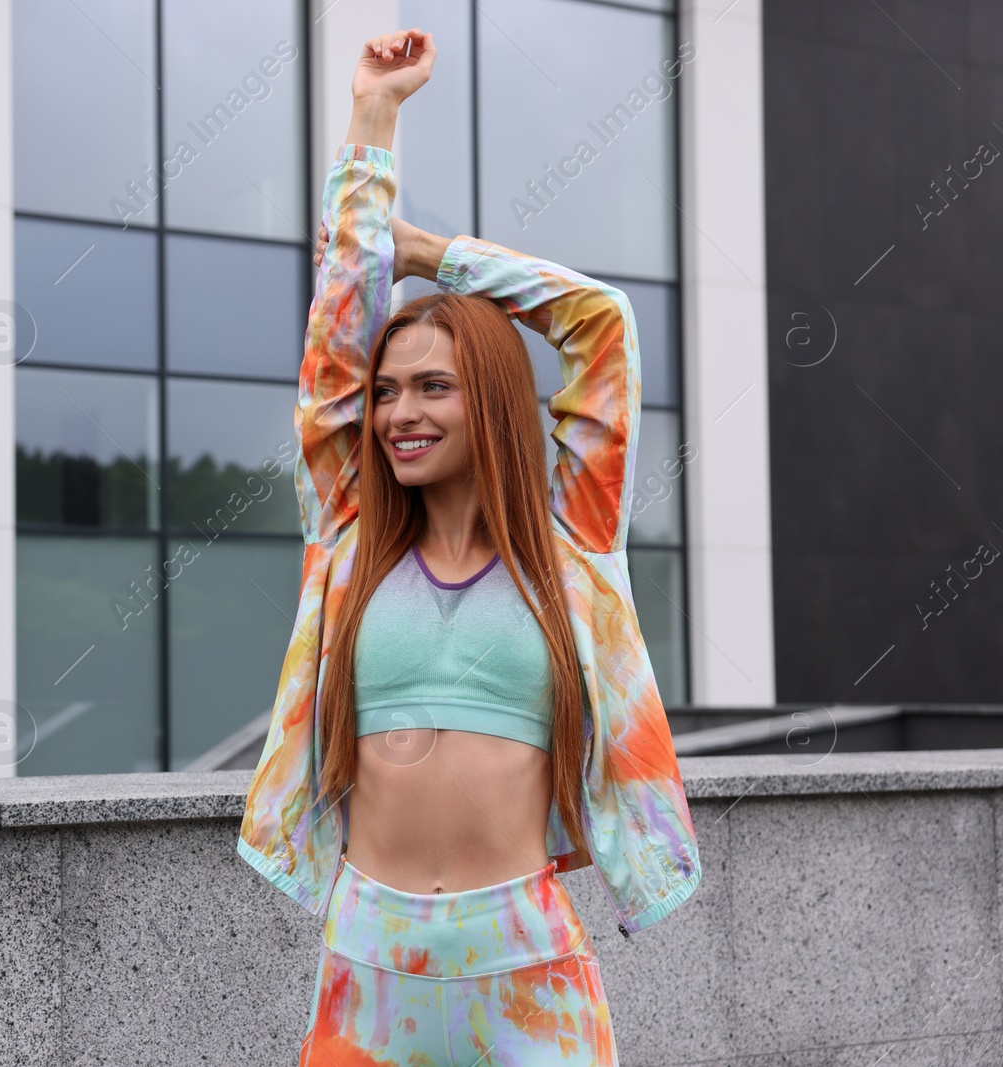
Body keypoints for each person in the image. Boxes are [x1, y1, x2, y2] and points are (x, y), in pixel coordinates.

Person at [234, 28, 702, 1066]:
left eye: (432, 386)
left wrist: (426, 255)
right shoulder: (350, 536)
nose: (397, 410)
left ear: (487, 399)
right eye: (389, 390)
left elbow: (600, 323)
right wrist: (373, 119)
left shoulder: (570, 542)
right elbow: (331, 359)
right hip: (368, 964)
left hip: (526, 969)